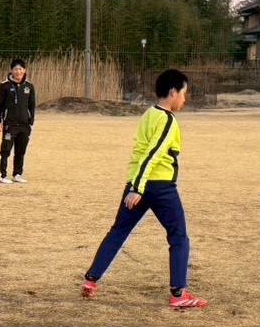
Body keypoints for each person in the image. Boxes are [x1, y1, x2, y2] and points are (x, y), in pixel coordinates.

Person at [79, 68, 207, 310]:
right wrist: (138, 188)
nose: (184, 99)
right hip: (159, 187)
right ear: (173, 92)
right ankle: (178, 293)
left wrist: (134, 186)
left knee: (119, 231)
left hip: (137, 183)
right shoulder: (167, 120)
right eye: (184, 93)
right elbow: (152, 154)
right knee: (178, 236)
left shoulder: (149, 114)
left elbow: (141, 153)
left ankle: (91, 280)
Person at [0, 59, 36, 184]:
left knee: (20, 151)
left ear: (25, 71)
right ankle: (2, 175)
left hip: (24, 124)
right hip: (10, 124)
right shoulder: (5, 86)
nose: (18, 71)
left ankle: (17, 174)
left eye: (20, 69)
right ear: (12, 71)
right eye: (16, 69)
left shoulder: (29, 86)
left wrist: (31, 120)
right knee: (5, 150)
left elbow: (32, 105)